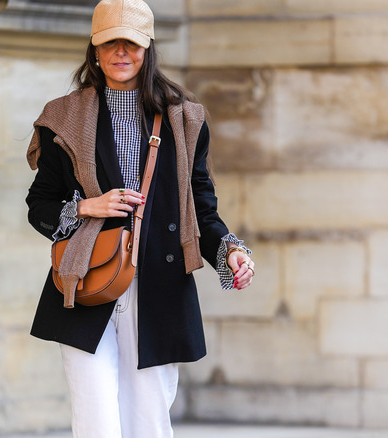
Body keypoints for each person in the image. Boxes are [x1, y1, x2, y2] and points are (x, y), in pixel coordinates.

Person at [25, 0, 255, 436]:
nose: (120, 52)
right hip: (87, 279)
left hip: (158, 284)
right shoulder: (64, 118)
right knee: (96, 418)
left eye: (130, 43)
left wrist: (231, 252)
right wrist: (85, 207)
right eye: (109, 43)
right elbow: (39, 205)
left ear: (147, 49)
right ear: (95, 50)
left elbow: (200, 204)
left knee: (148, 419)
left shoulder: (185, 118)